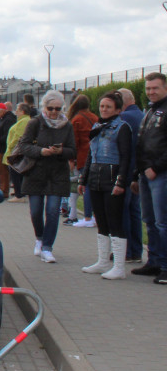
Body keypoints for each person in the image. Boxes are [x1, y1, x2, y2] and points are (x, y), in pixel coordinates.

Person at [78, 91, 133, 279]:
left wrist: (120, 181)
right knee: (101, 221)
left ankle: (118, 267)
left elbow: (126, 157)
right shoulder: (97, 126)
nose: (104, 109)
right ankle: (102, 261)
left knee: (114, 221)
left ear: (117, 109)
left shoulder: (122, 128)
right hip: (95, 177)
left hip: (112, 179)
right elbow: (90, 156)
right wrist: (83, 179)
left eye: (108, 107)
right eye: (102, 106)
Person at [19, 90, 76, 263]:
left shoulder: (67, 126)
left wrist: (61, 151)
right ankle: (39, 237)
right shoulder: (35, 123)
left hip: (57, 173)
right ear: (44, 107)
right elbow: (23, 146)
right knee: (36, 211)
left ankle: (47, 247)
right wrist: (41, 151)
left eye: (57, 108)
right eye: (50, 108)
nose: (53, 112)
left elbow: (73, 150)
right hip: (36, 172)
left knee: (52, 211)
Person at [131, 72, 167, 283]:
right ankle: (154, 261)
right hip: (145, 175)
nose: (151, 92)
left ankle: (165, 265)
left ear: (164, 88)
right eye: (148, 88)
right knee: (150, 221)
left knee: (163, 222)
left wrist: (157, 167)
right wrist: (137, 174)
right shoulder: (150, 111)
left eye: (155, 88)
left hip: (160, 174)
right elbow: (142, 144)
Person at [118, 88, 144, 262]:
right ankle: (136, 251)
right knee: (135, 211)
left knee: (123, 211)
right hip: (139, 170)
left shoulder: (124, 119)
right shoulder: (143, 115)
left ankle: (125, 251)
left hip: (127, 171)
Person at [65, 94, 98, 227]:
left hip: (83, 157)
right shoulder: (94, 117)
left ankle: (88, 217)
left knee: (86, 187)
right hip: (95, 156)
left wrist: (71, 160)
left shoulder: (76, 120)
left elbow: (74, 142)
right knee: (93, 187)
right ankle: (95, 216)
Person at [4, 103, 31, 199]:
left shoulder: (24, 121)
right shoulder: (25, 120)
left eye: (18, 110)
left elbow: (18, 136)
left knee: (15, 172)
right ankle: (19, 192)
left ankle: (19, 194)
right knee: (18, 172)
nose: (16, 112)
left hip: (17, 151)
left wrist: (11, 148)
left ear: (22, 111)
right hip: (19, 150)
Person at [0, 103, 15, 196]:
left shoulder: (8, 119)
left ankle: (4, 190)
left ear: (2, 111)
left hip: (2, 148)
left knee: (3, 170)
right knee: (1, 170)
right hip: (0, 148)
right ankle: (2, 188)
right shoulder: (4, 119)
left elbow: (7, 135)